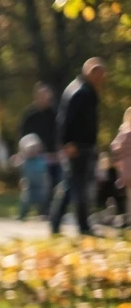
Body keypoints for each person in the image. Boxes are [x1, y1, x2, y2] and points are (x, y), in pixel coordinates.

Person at [50, 58, 106, 236]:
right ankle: (83, 226)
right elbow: (66, 120)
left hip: (84, 146)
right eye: (99, 75)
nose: (102, 79)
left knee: (70, 185)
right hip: (78, 147)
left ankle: (56, 222)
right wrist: (67, 143)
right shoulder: (80, 92)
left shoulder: (83, 90)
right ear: (91, 73)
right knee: (79, 187)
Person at [18, 83, 59, 215]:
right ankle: (27, 210)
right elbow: (22, 137)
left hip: (52, 156)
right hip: (32, 158)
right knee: (30, 186)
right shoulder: (29, 116)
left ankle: (48, 210)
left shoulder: (55, 115)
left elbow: (59, 136)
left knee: (52, 183)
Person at [14, 134, 50, 221]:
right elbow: (18, 167)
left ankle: (44, 213)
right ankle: (22, 214)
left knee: (43, 199)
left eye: (34, 149)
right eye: (30, 149)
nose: (32, 151)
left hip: (40, 184)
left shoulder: (41, 160)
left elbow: (46, 171)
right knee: (25, 200)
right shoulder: (24, 161)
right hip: (28, 184)